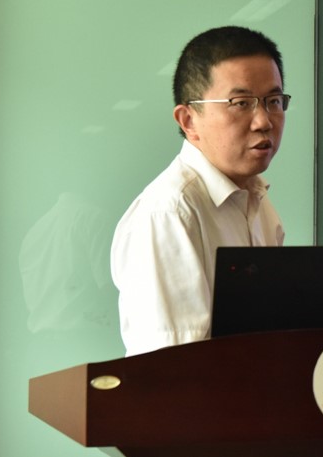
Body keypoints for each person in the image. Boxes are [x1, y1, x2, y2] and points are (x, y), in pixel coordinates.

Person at [111, 26, 289, 356]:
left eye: (274, 101)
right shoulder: (170, 213)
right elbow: (172, 364)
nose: (264, 121)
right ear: (189, 120)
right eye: (241, 103)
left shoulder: (258, 201)